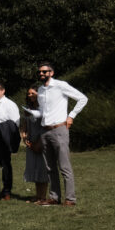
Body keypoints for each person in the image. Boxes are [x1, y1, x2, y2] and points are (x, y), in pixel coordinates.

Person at [31, 62, 88, 206]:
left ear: (51, 72)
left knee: (64, 166)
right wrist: (32, 113)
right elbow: (43, 112)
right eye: (39, 72)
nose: (41, 74)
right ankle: (54, 198)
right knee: (50, 167)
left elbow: (83, 98)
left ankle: (70, 199)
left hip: (59, 130)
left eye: (44, 72)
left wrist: (71, 116)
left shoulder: (61, 85)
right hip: (45, 131)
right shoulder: (40, 90)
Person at [21, 86, 50, 203]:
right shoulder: (28, 108)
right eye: (28, 93)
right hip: (31, 139)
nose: (30, 95)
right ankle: (38, 196)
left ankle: (43, 197)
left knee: (43, 168)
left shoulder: (44, 108)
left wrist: (39, 141)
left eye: (33, 93)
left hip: (41, 139)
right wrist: (23, 133)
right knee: (35, 168)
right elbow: (25, 122)